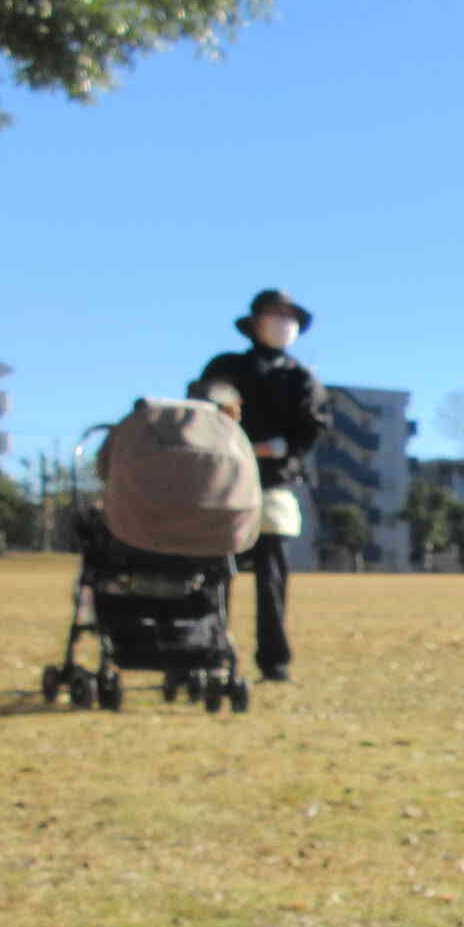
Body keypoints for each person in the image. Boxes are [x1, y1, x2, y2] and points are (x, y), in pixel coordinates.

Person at [197, 288, 327, 681]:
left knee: (271, 577)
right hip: (224, 485)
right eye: (275, 314)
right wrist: (222, 409)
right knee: (214, 573)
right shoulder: (227, 366)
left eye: (289, 316)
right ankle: (209, 652)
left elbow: (313, 427)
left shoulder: (302, 377)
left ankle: (274, 660)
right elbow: (204, 401)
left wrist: (281, 447)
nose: (282, 323)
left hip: (273, 487)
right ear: (254, 323)